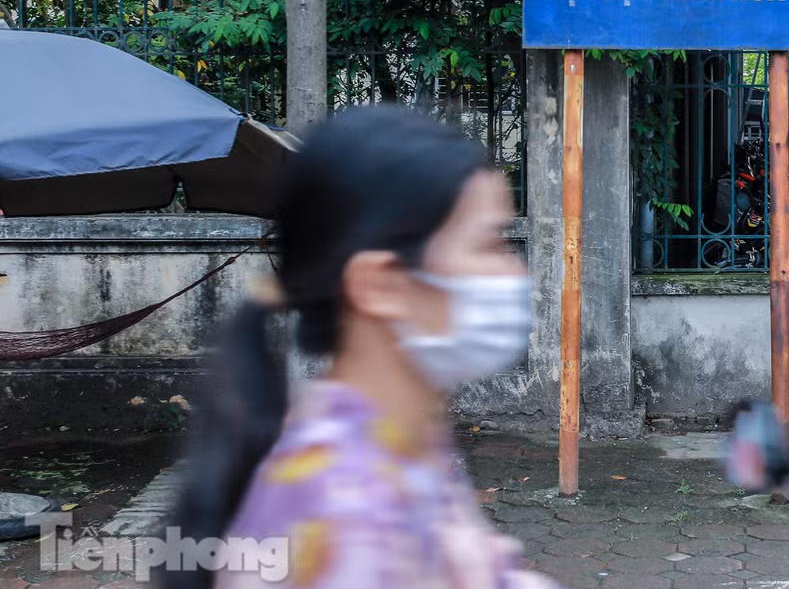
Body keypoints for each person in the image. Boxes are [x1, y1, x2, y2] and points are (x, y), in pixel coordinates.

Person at [159, 106, 559, 589]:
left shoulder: (399, 441)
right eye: (488, 245)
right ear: (381, 285)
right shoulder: (347, 509)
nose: (515, 275)